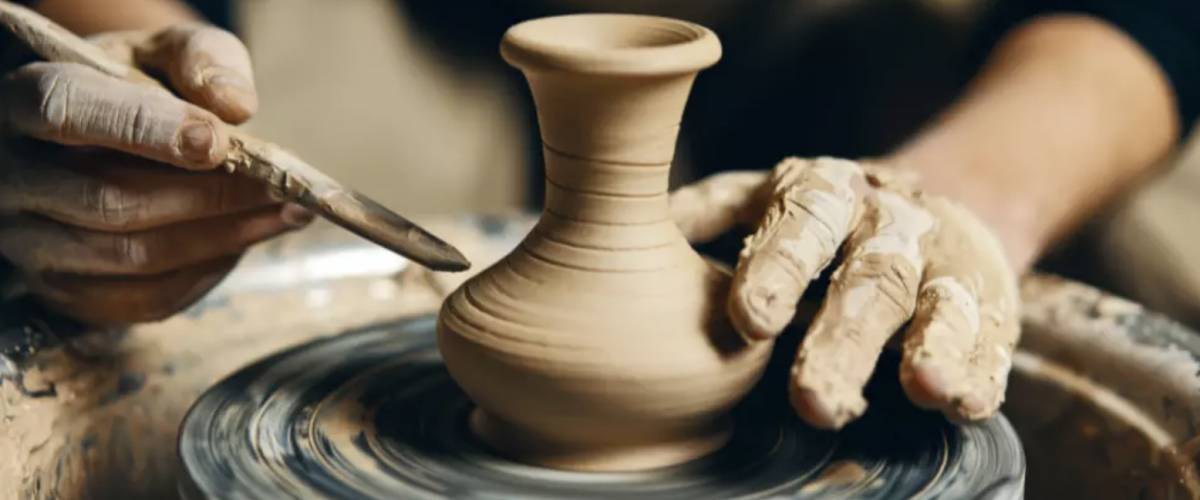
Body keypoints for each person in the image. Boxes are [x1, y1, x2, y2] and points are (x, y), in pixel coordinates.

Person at [0, 0, 1194, 430]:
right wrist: (136, 85)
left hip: (861, 23)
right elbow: (136, 56)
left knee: (1144, 241)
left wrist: (977, 187)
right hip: (394, 27)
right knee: (230, 210)